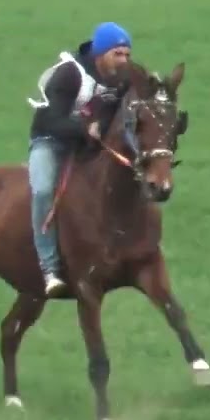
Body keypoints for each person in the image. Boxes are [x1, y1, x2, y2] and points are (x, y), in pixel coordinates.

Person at [26, 22, 132, 296]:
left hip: (88, 146)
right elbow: (49, 119)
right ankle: (48, 267)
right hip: (50, 142)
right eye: (117, 54)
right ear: (100, 53)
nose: (123, 60)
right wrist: (84, 129)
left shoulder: (122, 80)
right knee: (42, 190)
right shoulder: (69, 74)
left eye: (126, 54)